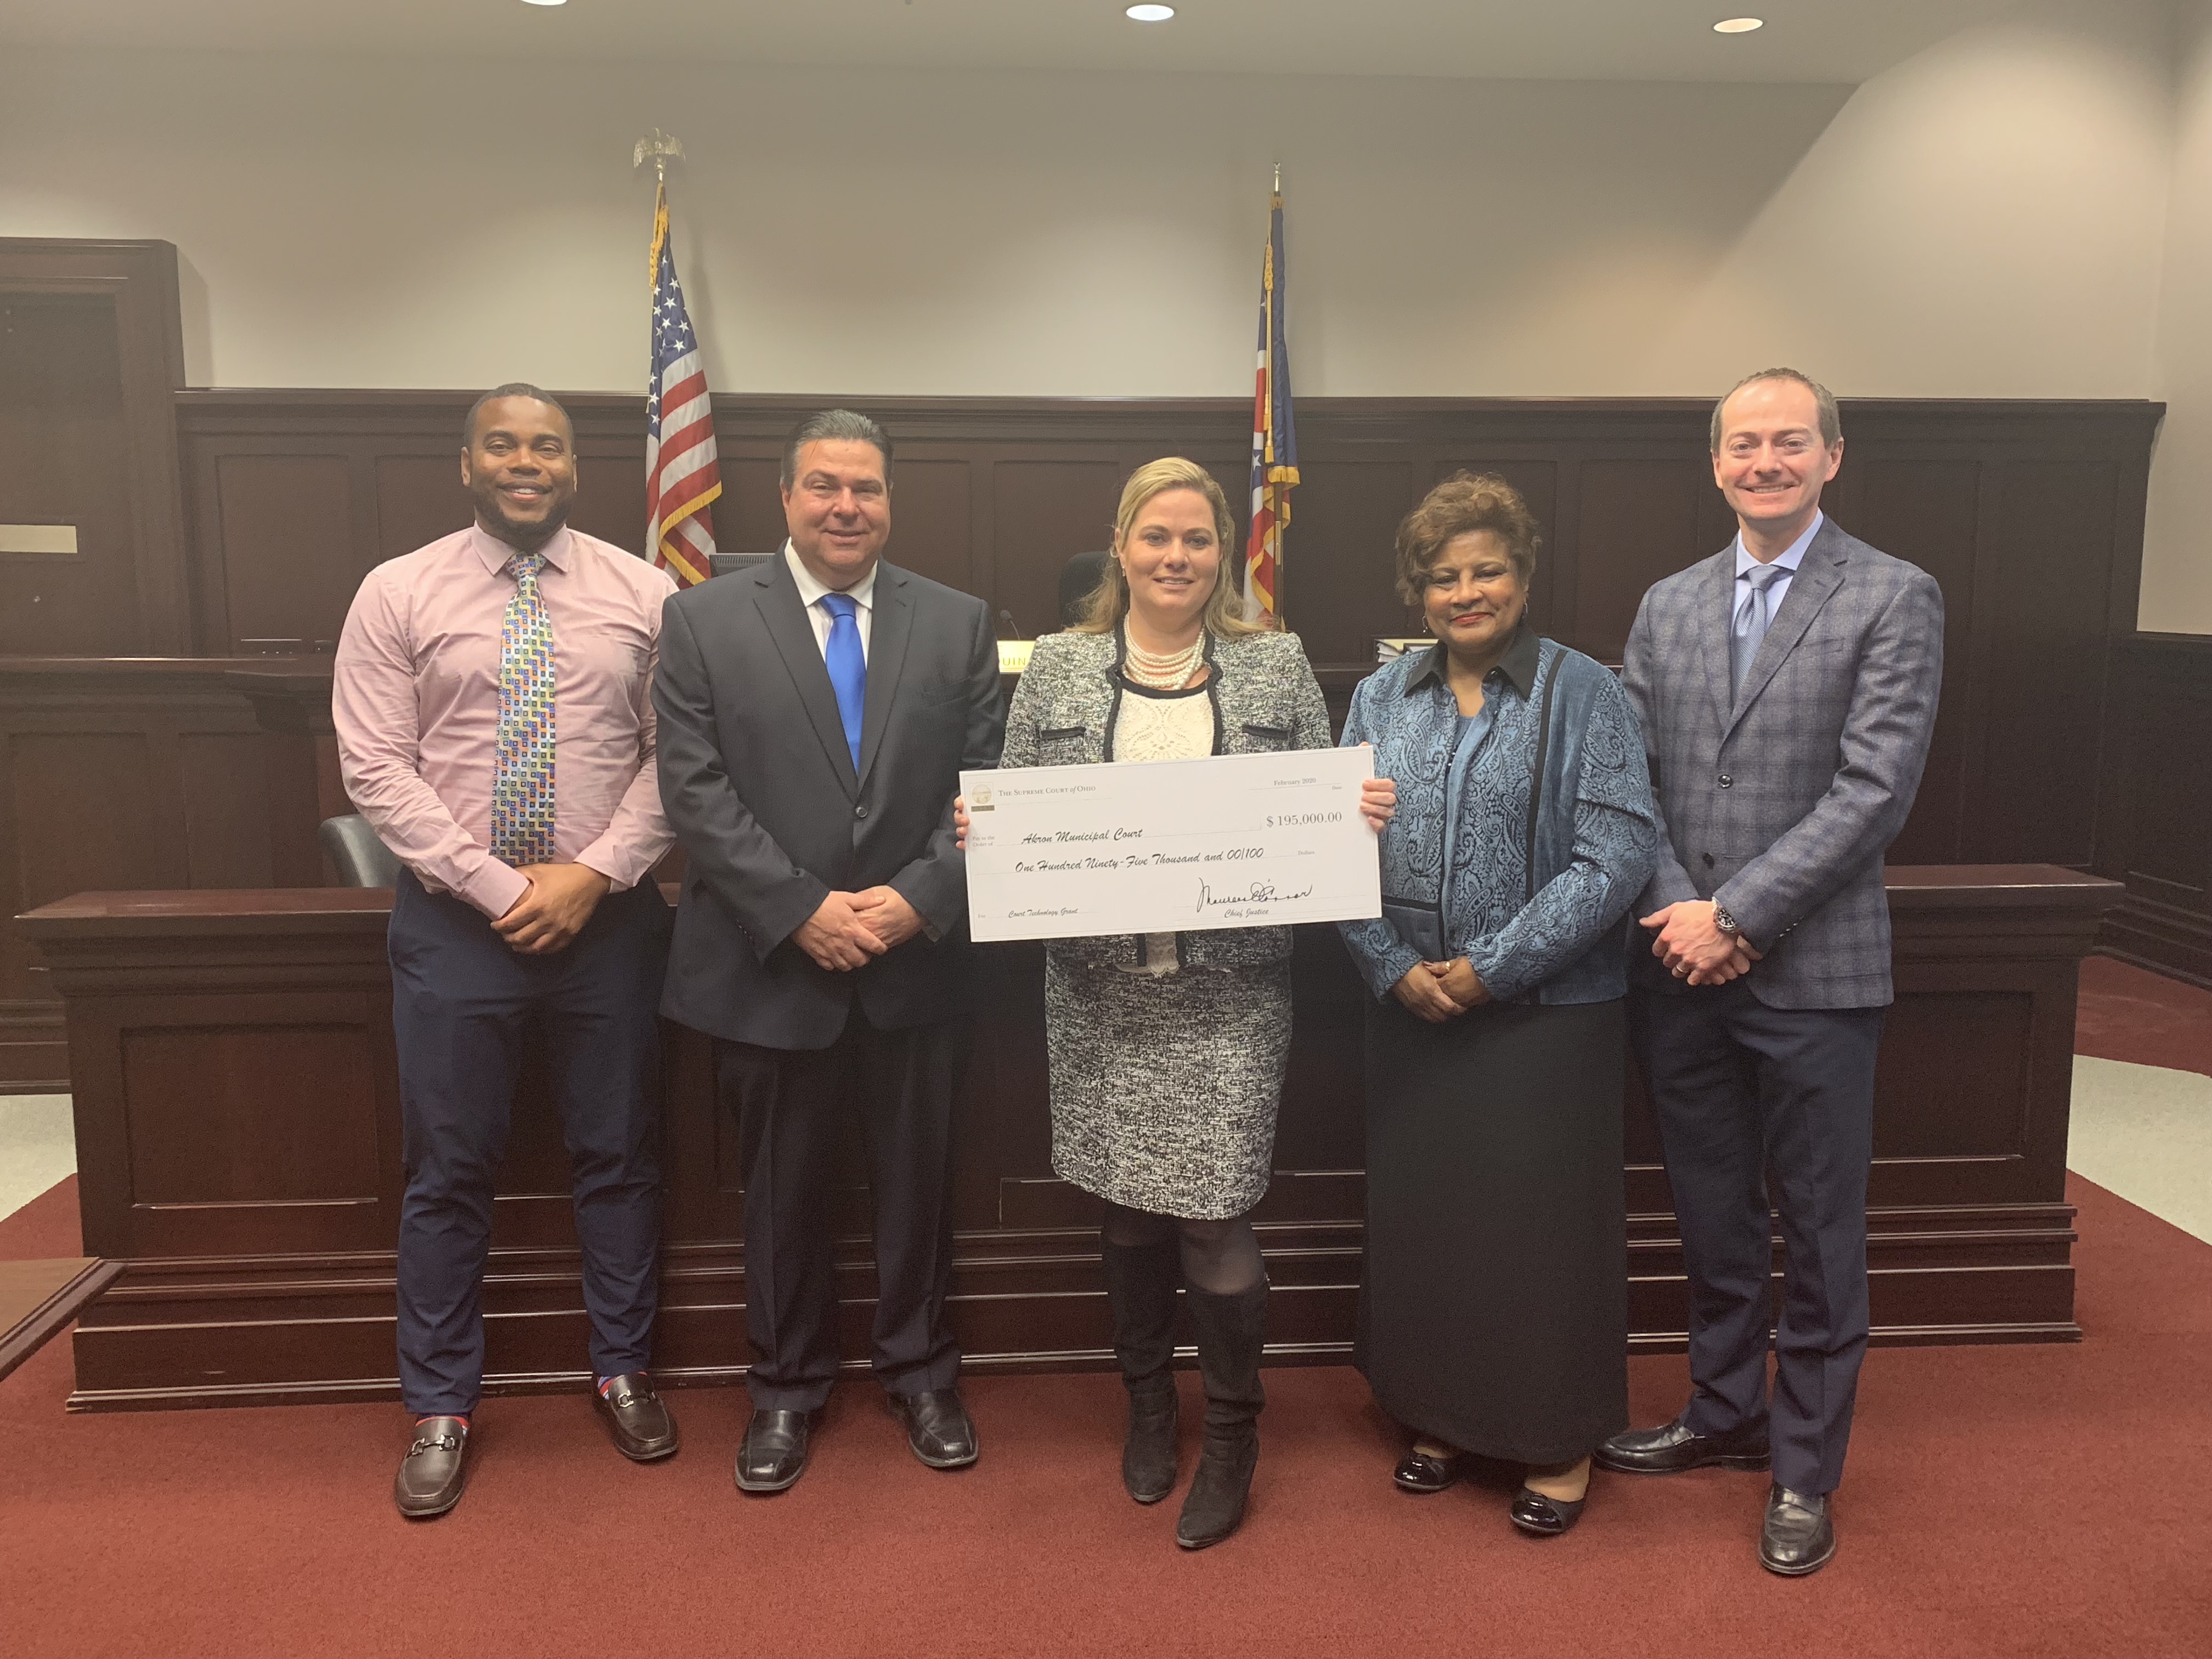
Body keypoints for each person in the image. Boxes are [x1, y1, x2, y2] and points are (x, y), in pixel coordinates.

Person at [961, 457, 1395, 1550]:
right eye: (1156, 538)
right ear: (1122, 545)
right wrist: (991, 835)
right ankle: (1151, 1408)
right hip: (1101, 992)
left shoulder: (1273, 662)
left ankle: (1236, 1431)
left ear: (1223, 553)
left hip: (1231, 994)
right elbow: (1015, 795)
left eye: (1197, 540)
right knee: (1126, 1207)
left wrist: (1358, 808)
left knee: (1215, 1214)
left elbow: (1318, 796)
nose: (1176, 558)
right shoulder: (1058, 669)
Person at [1599, 369, 1944, 1577]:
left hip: (1816, 978)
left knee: (1821, 1232)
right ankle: (1725, 1411)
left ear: (1832, 457)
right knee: (1713, 1217)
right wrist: (1675, 915)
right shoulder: (1668, 604)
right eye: (1744, 444)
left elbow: (1874, 790)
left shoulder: (1894, 596)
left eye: (1789, 442)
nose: (1764, 462)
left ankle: (1804, 1467)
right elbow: (1625, 780)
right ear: (1715, 463)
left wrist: (1736, 913)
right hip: (1678, 972)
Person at [334, 383, 681, 1520]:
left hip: (610, 923)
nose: (526, 461)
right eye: (504, 444)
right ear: (468, 463)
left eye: (548, 446)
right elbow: (376, 767)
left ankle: (624, 1369)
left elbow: (678, 760)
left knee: (618, 1155)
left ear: (575, 468)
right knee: (448, 1172)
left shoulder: (647, 594)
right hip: (454, 926)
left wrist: (592, 876)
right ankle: (440, 1404)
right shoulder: (399, 591)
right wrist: (493, 886)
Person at [653, 409, 1005, 1495]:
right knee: (780, 1196)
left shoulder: (958, 623)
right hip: (769, 963)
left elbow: (990, 792)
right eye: (824, 486)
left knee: (917, 1189)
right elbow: (694, 792)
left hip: (917, 961)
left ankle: (921, 1373)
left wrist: (915, 901)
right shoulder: (703, 621)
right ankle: (786, 1390)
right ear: (786, 497)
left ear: (890, 501)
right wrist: (803, 909)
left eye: (866, 488)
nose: (846, 506)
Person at [1337, 473, 1658, 1539]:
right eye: (1444, 577)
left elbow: (1614, 859)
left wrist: (1489, 967)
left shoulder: (1587, 692)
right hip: (1410, 1013)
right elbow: (1331, 847)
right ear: (1417, 592)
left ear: (1521, 576)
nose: (1467, 592)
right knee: (1432, 1230)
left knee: (1537, 1238)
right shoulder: (1381, 698)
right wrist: (1391, 966)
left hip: (1546, 1017)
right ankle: (1438, 1416)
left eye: (1487, 570)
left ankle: (1554, 1439)